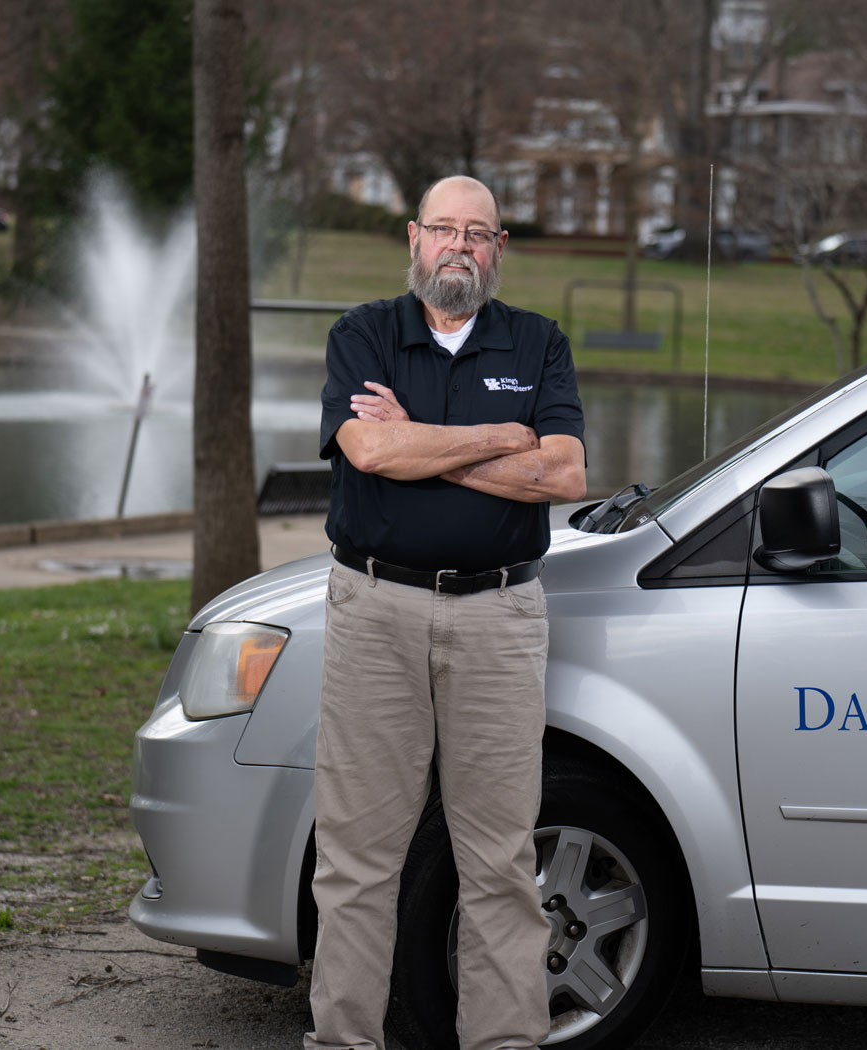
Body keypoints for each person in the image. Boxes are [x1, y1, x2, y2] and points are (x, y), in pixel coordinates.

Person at [306, 175, 586, 1050]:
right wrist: (506, 438)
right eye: (443, 230)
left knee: (499, 863)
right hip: (374, 611)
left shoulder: (538, 344)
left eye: (478, 232)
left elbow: (566, 476)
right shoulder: (363, 334)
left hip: (499, 621)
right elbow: (371, 448)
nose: (459, 246)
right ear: (414, 239)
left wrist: (426, 446)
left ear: (498, 250)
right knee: (356, 863)